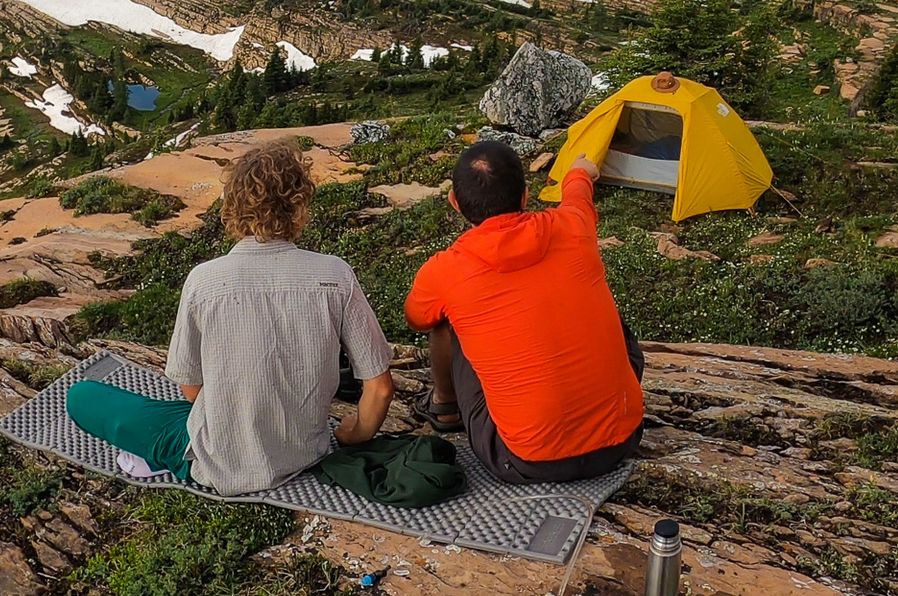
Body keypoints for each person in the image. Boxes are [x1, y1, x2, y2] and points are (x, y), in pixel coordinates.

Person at [66, 140, 397, 495]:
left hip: (216, 460)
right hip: (305, 452)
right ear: (300, 205)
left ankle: (160, 457)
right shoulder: (336, 275)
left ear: (233, 207)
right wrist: (355, 433)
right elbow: (380, 388)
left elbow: (191, 388)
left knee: (82, 396)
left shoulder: (204, 280)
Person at [404, 142, 645, 484]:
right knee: (601, 313)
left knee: (444, 318)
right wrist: (580, 171)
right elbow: (577, 194)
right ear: (525, 196)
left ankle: (445, 406)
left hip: (525, 460)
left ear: (455, 202)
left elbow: (417, 319)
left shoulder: (445, 271)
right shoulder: (574, 226)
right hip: (622, 441)